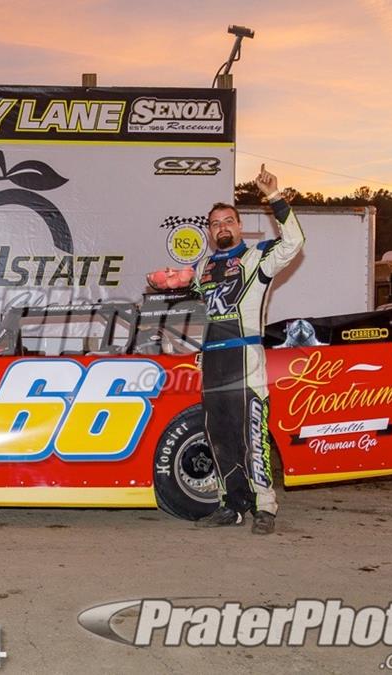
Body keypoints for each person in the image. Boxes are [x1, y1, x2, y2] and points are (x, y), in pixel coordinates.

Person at [147, 165, 304, 535]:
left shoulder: (257, 259)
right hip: (213, 362)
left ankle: (264, 507)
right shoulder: (202, 268)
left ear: (239, 225)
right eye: (215, 223)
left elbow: (294, 242)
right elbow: (189, 310)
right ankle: (231, 504)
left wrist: (275, 197)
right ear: (209, 230)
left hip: (246, 359)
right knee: (218, 436)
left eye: (228, 221)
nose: (222, 227)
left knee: (251, 435)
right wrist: (167, 286)